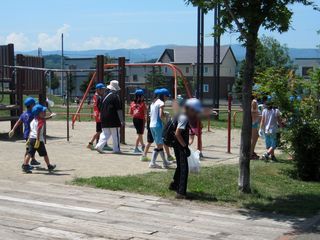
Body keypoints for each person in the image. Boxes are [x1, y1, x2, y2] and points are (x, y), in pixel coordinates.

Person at [169, 98, 202, 199]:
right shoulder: (184, 117)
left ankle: (174, 185)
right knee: (184, 168)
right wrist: (185, 147)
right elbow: (178, 133)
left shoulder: (182, 113)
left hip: (177, 144)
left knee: (180, 166)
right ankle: (180, 192)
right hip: (180, 145)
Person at [22, 104, 56, 173]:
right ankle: (49, 165)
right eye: (43, 112)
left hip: (31, 138)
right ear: (38, 114)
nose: (44, 113)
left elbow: (31, 130)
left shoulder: (33, 120)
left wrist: (28, 139)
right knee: (45, 154)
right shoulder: (40, 121)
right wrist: (37, 139)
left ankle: (25, 165)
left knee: (29, 153)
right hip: (38, 140)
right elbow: (38, 130)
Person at [9, 97, 41, 166]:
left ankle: (33, 160)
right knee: (29, 150)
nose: (35, 105)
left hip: (26, 134)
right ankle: (25, 164)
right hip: (31, 134)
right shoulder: (33, 114)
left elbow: (18, 122)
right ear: (31, 105)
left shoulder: (23, 114)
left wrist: (13, 129)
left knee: (32, 148)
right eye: (34, 104)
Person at [95, 80, 123, 153]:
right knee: (115, 135)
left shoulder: (104, 96)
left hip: (103, 117)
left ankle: (99, 146)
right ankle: (116, 149)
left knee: (105, 133)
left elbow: (100, 107)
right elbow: (119, 109)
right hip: (113, 118)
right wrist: (122, 120)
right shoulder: (115, 96)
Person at [148, 88, 172, 169]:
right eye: (167, 96)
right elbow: (161, 115)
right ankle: (152, 163)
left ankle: (165, 162)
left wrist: (164, 113)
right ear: (163, 96)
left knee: (159, 144)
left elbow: (153, 114)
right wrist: (165, 122)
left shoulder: (153, 103)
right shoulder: (161, 103)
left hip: (152, 125)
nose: (167, 98)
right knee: (159, 145)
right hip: (158, 125)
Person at [259, 98, 282, 162]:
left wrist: (260, 129)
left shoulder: (264, 110)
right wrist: (281, 127)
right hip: (273, 130)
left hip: (266, 130)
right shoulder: (276, 110)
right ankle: (266, 154)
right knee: (274, 144)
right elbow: (279, 120)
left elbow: (262, 121)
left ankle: (272, 156)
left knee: (269, 144)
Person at [87, 83, 106, 150]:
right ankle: (91, 143)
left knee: (101, 131)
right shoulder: (98, 96)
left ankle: (97, 143)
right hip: (99, 115)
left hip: (97, 115)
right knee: (100, 131)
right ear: (98, 90)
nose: (103, 90)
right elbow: (99, 106)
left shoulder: (96, 95)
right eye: (102, 89)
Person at [130, 89, 147, 153]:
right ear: (139, 96)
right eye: (142, 96)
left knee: (139, 134)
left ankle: (139, 147)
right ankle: (141, 146)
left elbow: (130, 113)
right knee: (140, 134)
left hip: (135, 119)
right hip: (140, 120)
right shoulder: (143, 104)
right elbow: (145, 113)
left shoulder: (132, 103)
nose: (143, 97)